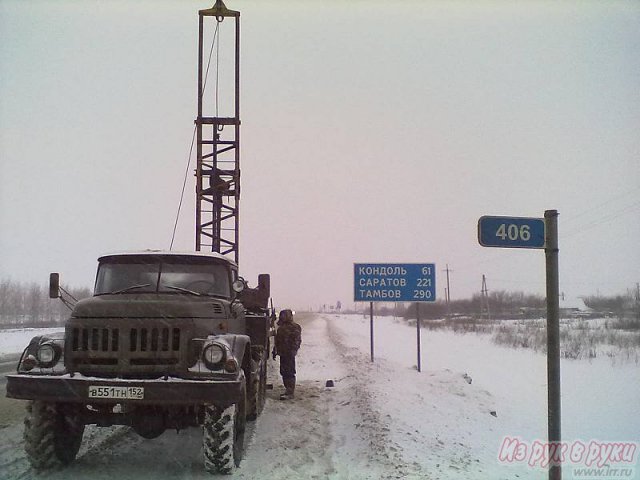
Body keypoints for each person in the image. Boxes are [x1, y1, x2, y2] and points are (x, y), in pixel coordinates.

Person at [272, 309, 302, 400]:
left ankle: (290, 392)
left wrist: (293, 350)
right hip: (283, 353)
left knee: (289, 372)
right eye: (282, 315)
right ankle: (287, 390)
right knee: (284, 372)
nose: (282, 317)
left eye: (284, 315)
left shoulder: (294, 327)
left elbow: (297, 340)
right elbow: (277, 341)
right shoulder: (281, 327)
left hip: (289, 353)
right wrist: (275, 350)